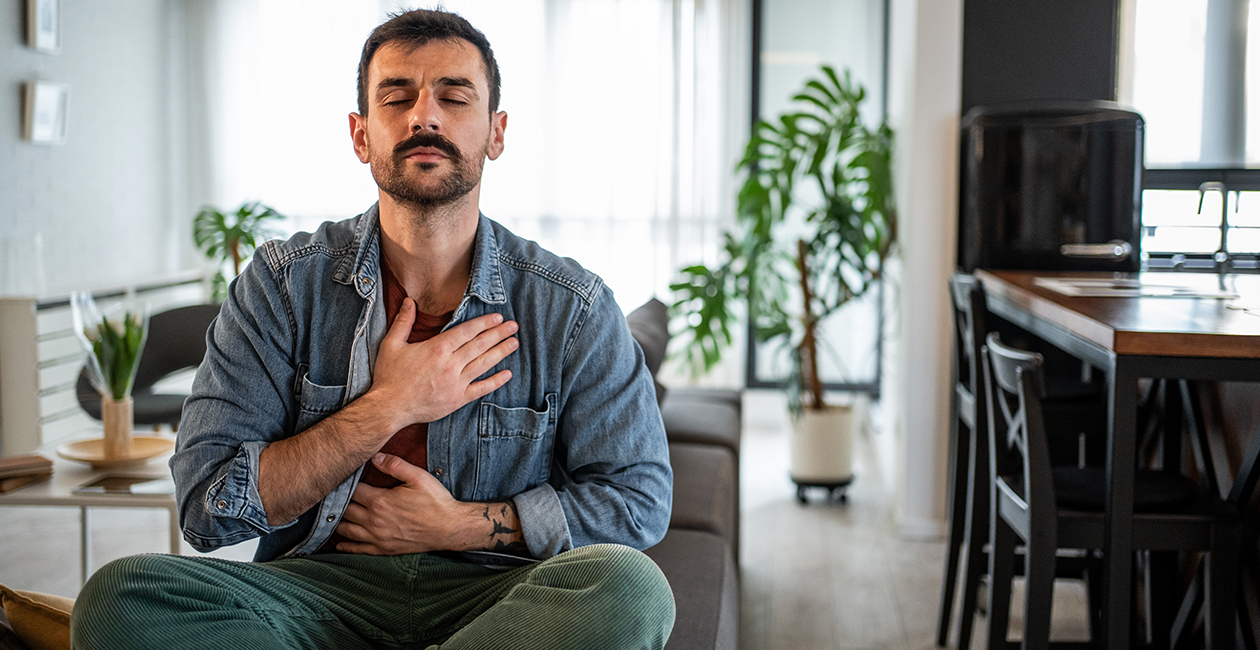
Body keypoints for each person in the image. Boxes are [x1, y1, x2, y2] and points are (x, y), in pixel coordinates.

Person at [69, 9, 675, 650]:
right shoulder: (281, 285)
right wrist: (390, 405)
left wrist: (456, 526)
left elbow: (638, 501)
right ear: (361, 136)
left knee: (630, 589)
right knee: (120, 599)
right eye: (397, 97)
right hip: (314, 592)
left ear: (496, 132)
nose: (425, 116)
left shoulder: (570, 306)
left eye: (453, 95)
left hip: (497, 597)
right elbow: (206, 505)